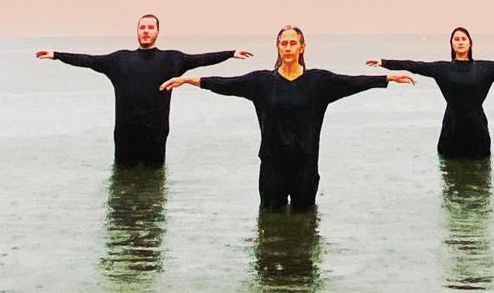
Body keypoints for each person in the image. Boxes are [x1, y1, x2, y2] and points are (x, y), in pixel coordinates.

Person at [163, 26, 415, 209]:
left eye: (293, 43)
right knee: (270, 222)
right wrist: (189, 80)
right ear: (278, 47)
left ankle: (302, 277)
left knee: (305, 222)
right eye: (284, 43)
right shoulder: (261, 81)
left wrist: (386, 78)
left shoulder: (319, 81)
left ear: (302, 47)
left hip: (305, 164)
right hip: (272, 164)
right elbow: (226, 84)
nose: (288, 47)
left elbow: (351, 82)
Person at [35, 14, 250, 167]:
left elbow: (202, 59)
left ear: (157, 32)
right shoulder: (119, 60)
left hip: (156, 134)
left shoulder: (172, 59)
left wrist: (231, 53)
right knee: (122, 185)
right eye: (142, 27)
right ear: (137, 31)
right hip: (125, 134)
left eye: (150, 27)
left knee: (154, 185)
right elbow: (88, 60)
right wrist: (56, 54)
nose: (146, 31)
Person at [363, 27, 494, 160]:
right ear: (451, 44)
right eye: (456, 39)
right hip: (451, 128)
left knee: (481, 180)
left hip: (477, 128)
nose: (460, 42)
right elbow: (413, 65)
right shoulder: (442, 69)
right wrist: (384, 62)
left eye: (464, 39)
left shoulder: (485, 68)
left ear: (471, 43)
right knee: (450, 180)